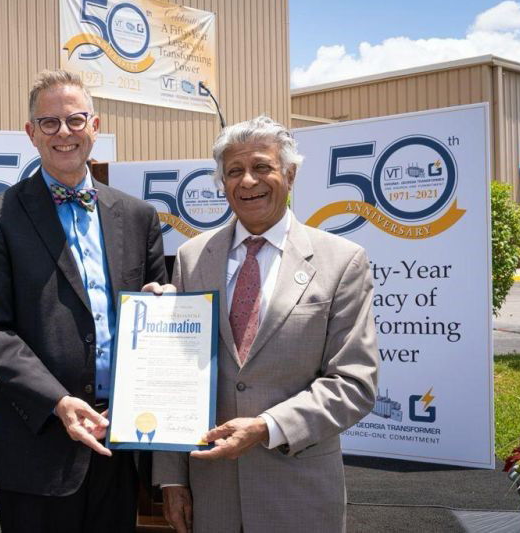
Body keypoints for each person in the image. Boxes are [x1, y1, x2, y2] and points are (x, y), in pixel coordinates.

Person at [151, 115, 379, 533]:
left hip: (299, 494)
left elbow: (354, 382)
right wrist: (172, 479)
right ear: (222, 182)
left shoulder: (341, 261)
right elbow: (175, 381)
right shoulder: (191, 258)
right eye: (234, 171)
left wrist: (266, 427)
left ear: (289, 174)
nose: (248, 181)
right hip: (211, 495)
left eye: (262, 167)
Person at [0, 69, 167, 533]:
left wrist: (165, 310)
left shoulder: (138, 217)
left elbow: (156, 319)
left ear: (95, 125)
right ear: (31, 134)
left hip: (121, 442)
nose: (64, 133)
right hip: (37, 447)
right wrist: (57, 401)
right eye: (49, 123)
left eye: (75, 120)